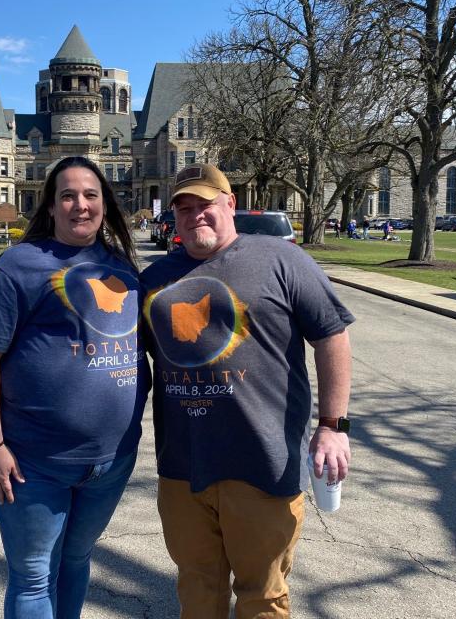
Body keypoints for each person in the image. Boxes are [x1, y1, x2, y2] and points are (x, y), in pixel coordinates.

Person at [140, 163, 353, 618]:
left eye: (206, 205)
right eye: (185, 208)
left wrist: (333, 426)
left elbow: (331, 334)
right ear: (173, 217)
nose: (196, 215)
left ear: (230, 204)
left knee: (262, 596)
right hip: (183, 468)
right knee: (197, 590)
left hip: (262, 465)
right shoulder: (154, 280)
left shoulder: (281, 259)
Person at [0, 156, 150, 618]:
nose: (79, 205)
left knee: (77, 559)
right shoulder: (20, 265)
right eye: (67, 195)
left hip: (110, 460)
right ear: (50, 206)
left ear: (105, 204)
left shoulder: (123, 266)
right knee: (33, 576)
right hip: (31, 461)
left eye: (90, 195)